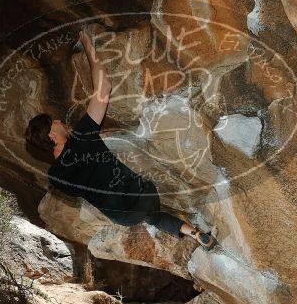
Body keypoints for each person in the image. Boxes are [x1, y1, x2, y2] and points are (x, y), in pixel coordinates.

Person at [25, 30, 216, 249]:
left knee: (152, 217)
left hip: (125, 216)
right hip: (142, 193)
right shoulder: (82, 136)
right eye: (54, 122)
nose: (59, 120)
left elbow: (83, 179)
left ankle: (195, 233)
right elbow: (103, 88)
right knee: (146, 198)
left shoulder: (56, 177)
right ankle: (194, 231)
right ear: (51, 134)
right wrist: (87, 43)